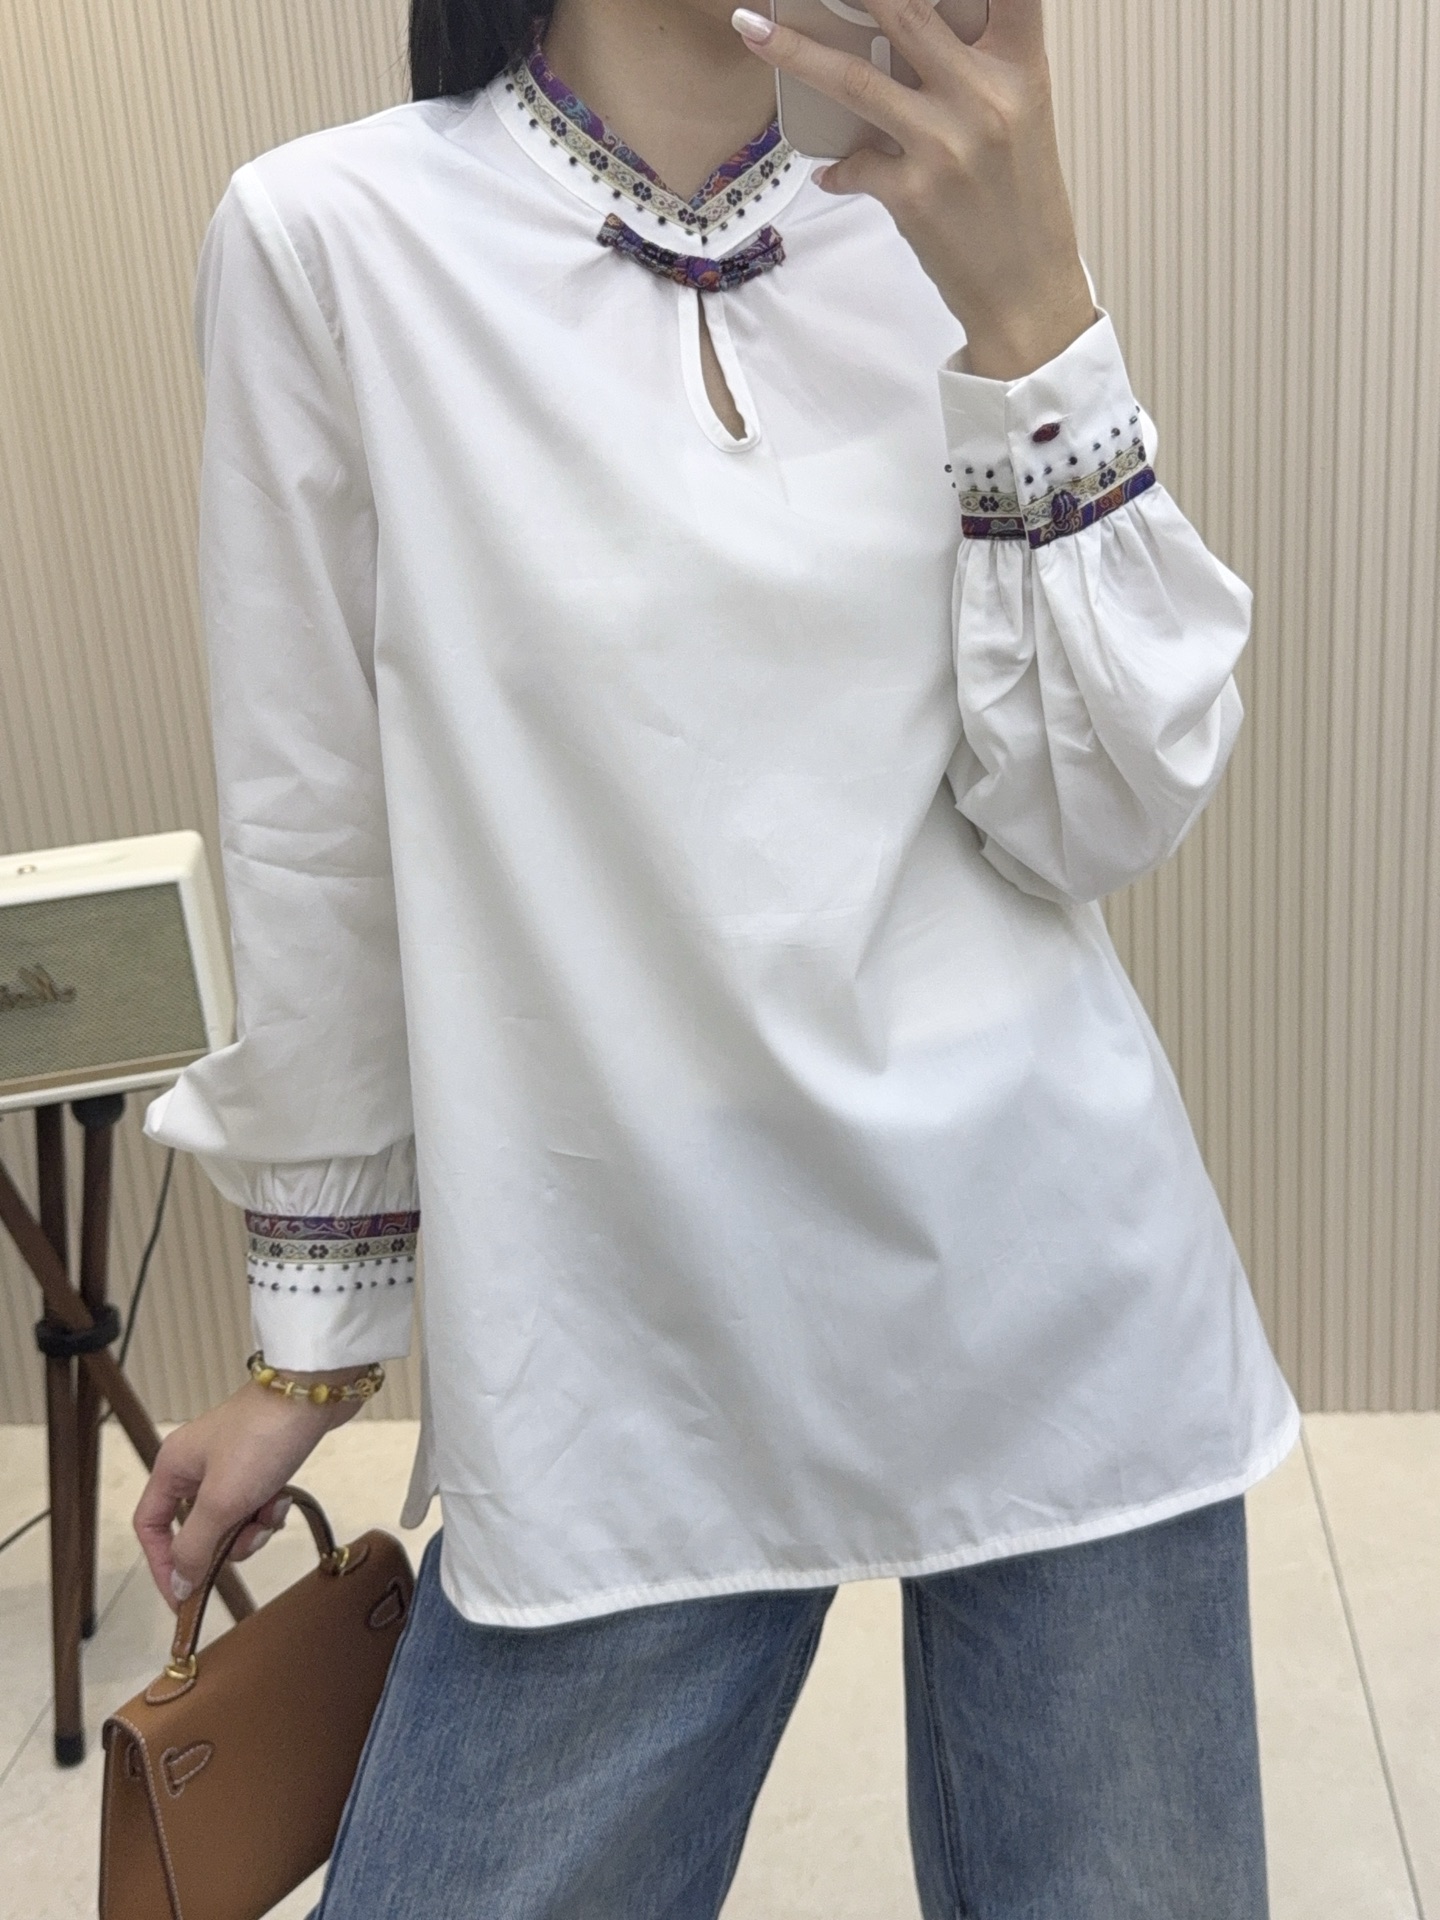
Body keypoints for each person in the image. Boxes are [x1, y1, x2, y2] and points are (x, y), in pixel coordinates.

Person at [133, 0, 1300, 1912]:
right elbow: (317, 836)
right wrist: (314, 1350)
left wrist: (1033, 306)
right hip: (628, 1335)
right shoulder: (332, 239)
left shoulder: (938, 220)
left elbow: (1090, 817)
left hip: (1055, 1287)